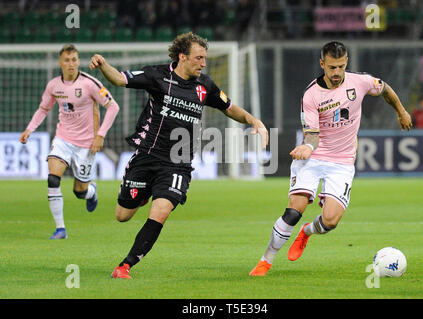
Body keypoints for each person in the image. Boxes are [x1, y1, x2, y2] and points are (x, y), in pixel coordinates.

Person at [89, 32, 268, 279]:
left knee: (160, 211)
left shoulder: (204, 85)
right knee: (122, 215)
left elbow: (228, 107)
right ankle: (143, 195)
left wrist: (252, 119)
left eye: (205, 58)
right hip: (147, 156)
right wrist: (103, 65)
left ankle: (125, 266)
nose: (204, 63)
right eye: (199, 58)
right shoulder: (157, 76)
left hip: (178, 164)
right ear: (182, 56)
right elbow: (120, 80)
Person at [249, 41, 412, 276]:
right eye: (332, 67)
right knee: (294, 210)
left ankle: (306, 232)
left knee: (331, 221)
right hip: (313, 158)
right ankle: (266, 260)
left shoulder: (361, 81)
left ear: (346, 63)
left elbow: (385, 89)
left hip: (342, 162)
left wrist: (402, 112)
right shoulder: (311, 95)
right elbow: (312, 135)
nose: (337, 73)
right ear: (322, 64)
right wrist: (307, 147)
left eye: (341, 67)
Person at [19, 44, 120, 239]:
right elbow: (43, 109)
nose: (71, 64)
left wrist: (100, 135)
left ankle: (91, 191)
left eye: (74, 60)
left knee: (79, 192)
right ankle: (60, 229)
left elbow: (113, 107)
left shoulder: (90, 83)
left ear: (78, 61)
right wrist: (30, 129)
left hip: (86, 145)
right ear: (60, 63)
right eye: (67, 60)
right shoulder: (53, 85)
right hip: (63, 139)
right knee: (52, 178)